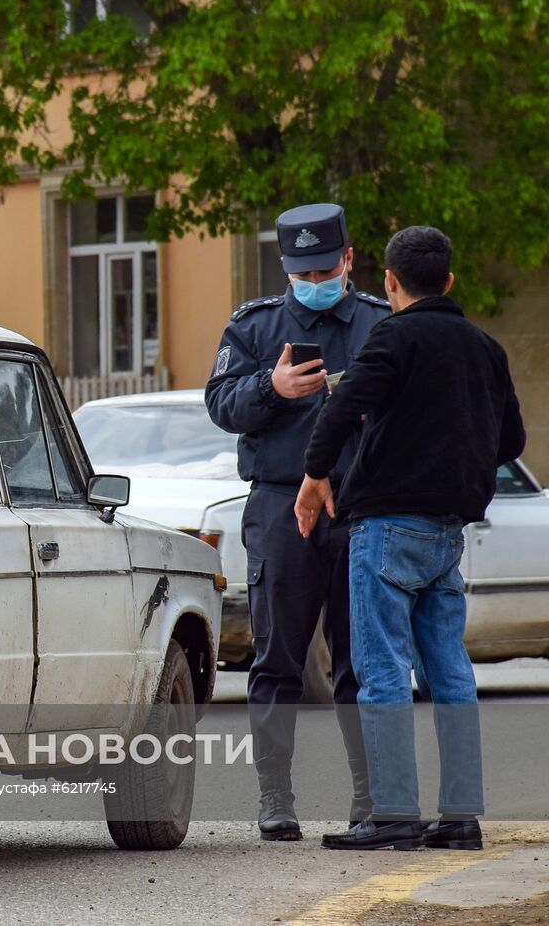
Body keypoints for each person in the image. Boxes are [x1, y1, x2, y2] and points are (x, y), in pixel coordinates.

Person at [297, 225, 524, 851]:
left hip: (386, 526)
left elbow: (340, 411)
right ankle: (460, 819)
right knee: (450, 671)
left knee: (383, 670)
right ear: (449, 281)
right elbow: (512, 444)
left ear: (390, 283)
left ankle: (394, 815)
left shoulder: (391, 337)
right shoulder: (486, 348)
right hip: (449, 534)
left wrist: (315, 477)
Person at [205, 203, 389, 841]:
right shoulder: (256, 327)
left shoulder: (377, 321)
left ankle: (369, 798)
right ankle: (275, 798)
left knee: (360, 661)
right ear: (286, 269)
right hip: (282, 507)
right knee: (277, 655)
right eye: (301, 271)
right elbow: (220, 403)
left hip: (360, 506)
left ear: (347, 259)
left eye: (323, 268)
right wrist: (271, 387)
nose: (314, 281)